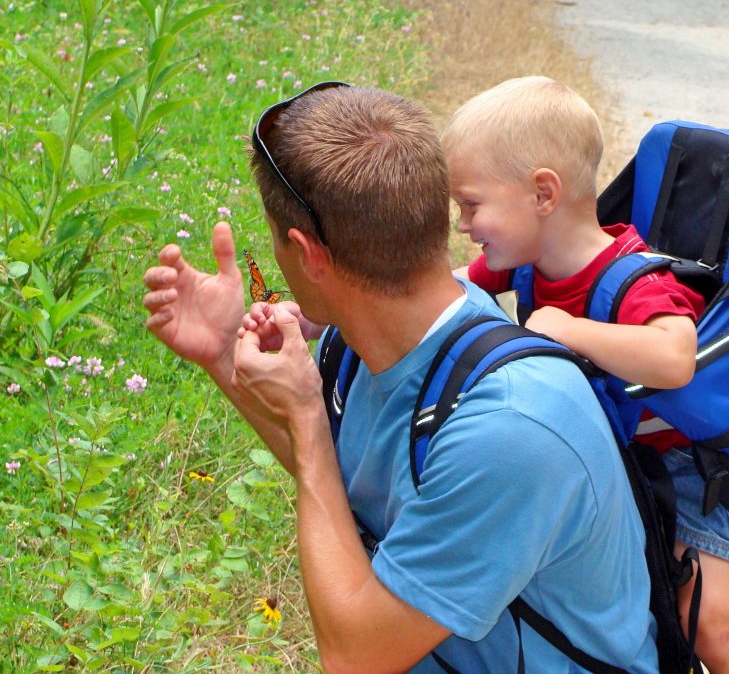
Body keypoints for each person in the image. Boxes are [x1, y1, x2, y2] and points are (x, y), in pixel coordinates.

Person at [142, 82, 658, 672]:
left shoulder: (511, 430)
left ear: (307, 253)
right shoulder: (371, 335)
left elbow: (355, 655)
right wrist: (220, 357)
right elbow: (343, 486)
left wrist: (308, 415)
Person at [444, 76, 729, 674]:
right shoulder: (522, 263)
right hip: (601, 458)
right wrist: (316, 316)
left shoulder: (634, 280)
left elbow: (675, 358)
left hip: (682, 467)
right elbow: (437, 296)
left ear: (543, 193)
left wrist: (568, 331)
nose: (464, 225)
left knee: (706, 622)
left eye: (471, 205)